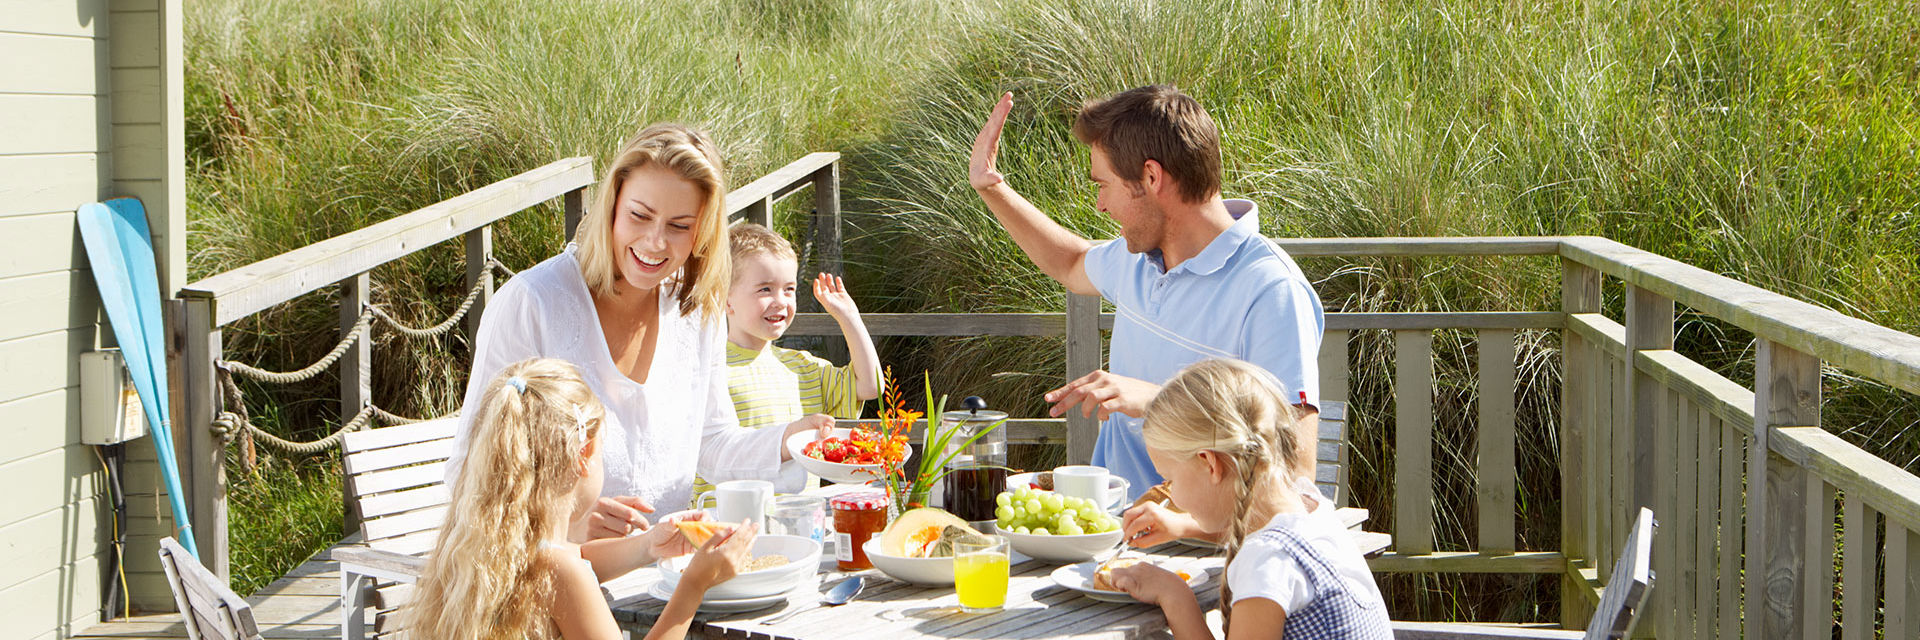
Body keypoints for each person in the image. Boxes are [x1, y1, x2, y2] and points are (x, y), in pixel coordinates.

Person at [448, 124, 829, 541]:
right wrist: (568, 524)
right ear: (612, 204)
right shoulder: (532, 303)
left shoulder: (697, 309)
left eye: (680, 226)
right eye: (640, 215)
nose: (655, 241)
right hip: (550, 580)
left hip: (666, 574)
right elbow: (472, 473)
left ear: (703, 233)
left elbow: (713, 442)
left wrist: (788, 441)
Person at [967, 85, 1326, 514]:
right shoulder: (1137, 261)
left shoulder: (1271, 290)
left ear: (1152, 178)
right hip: (1109, 530)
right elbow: (1070, 262)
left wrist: (1160, 402)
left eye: (1103, 185)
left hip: (1204, 551)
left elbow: (1293, 468)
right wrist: (991, 188)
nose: (1100, 205)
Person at [406, 359, 759, 640]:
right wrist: (693, 586)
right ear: (584, 453)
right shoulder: (562, 573)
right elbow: (570, 570)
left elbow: (575, 558)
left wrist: (649, 545)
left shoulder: (483, 544)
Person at [1105, 358, 1389, 639]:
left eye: (1170, 479)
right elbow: (1256, 524)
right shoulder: (1309, 505)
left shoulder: (1266, 564)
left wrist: (1174, 596)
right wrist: (1182, 527)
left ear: (1209, 463)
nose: (1171, 491)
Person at [717, 223, 880, 493]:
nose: (780, 300)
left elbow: (870, 385)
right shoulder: (711, 370)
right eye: (765, 289)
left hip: (800, 521)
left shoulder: (803, 367)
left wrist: (849, 317)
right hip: (730, 521)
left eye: (789, 289)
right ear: (726, 298)